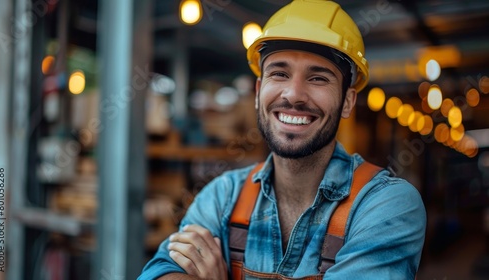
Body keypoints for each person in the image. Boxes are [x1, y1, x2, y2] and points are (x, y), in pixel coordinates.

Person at [138, 0, 426, 279]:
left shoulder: (386, 206)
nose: (293, 95)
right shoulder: (222, 196)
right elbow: (160, 272)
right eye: (280, 73)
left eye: (318, 78)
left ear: (348, 101)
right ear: (259, 90)